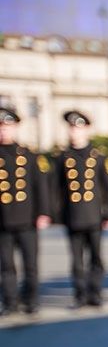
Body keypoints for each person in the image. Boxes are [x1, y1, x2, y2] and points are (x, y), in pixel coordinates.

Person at [52, 110, 108, 308]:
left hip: (94, 216)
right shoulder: (62, 157)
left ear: (86, 130)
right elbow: (55, 188)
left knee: (96, 257)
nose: (74, 132)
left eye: (78, 128)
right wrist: (56, 214)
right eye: (72, 128)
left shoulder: (98, 157)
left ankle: (95, 293)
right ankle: (80, 294)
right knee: (77, 260)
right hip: (73, 216)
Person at [0, 107, 50, 316]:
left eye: (7, 126)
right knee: (6, 265)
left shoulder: (29, 155)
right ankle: (10, 302)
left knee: (30, 264)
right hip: (2, 220)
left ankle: (31, 300)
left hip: (27, 219)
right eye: (1, 127)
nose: (4, 131)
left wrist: (43, 212)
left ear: (15, 128)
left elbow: (40, 186)